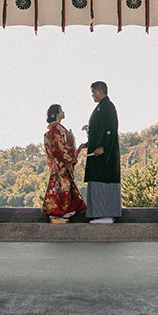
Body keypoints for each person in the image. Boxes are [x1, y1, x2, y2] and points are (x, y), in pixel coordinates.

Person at [80, 80, 121, 223]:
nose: (93, 96)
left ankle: (106, 214)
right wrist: (88, 144)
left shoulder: (108, 107)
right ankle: (99, 214)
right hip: (97, 152)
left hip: (105, 155)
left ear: (100, 91)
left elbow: (110, 130)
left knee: (104, 181)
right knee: (97, 182)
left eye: (93, 93)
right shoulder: (100, 108)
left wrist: (103, 147)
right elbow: (97, 132)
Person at [41, 103, 85, 223]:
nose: (63, 112)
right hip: (62, 164)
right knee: (62, 187)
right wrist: (67, 160)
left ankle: (63, 211)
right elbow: (59, 147)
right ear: (55, 114)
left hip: (62, 162)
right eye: (61, 111)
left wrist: (76, 152)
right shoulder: (56, 129)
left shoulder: (57, 129)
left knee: (62, 187)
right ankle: (60, 212)